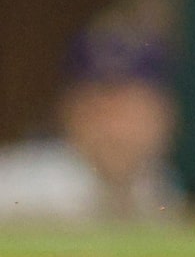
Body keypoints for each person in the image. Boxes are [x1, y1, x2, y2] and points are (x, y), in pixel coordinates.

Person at [0, 26, 179, 222]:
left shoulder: (161, 188)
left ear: (164, 115)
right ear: (67, 111)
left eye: (129, 111)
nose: (115, 129)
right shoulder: (16, 186)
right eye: (99, 111)